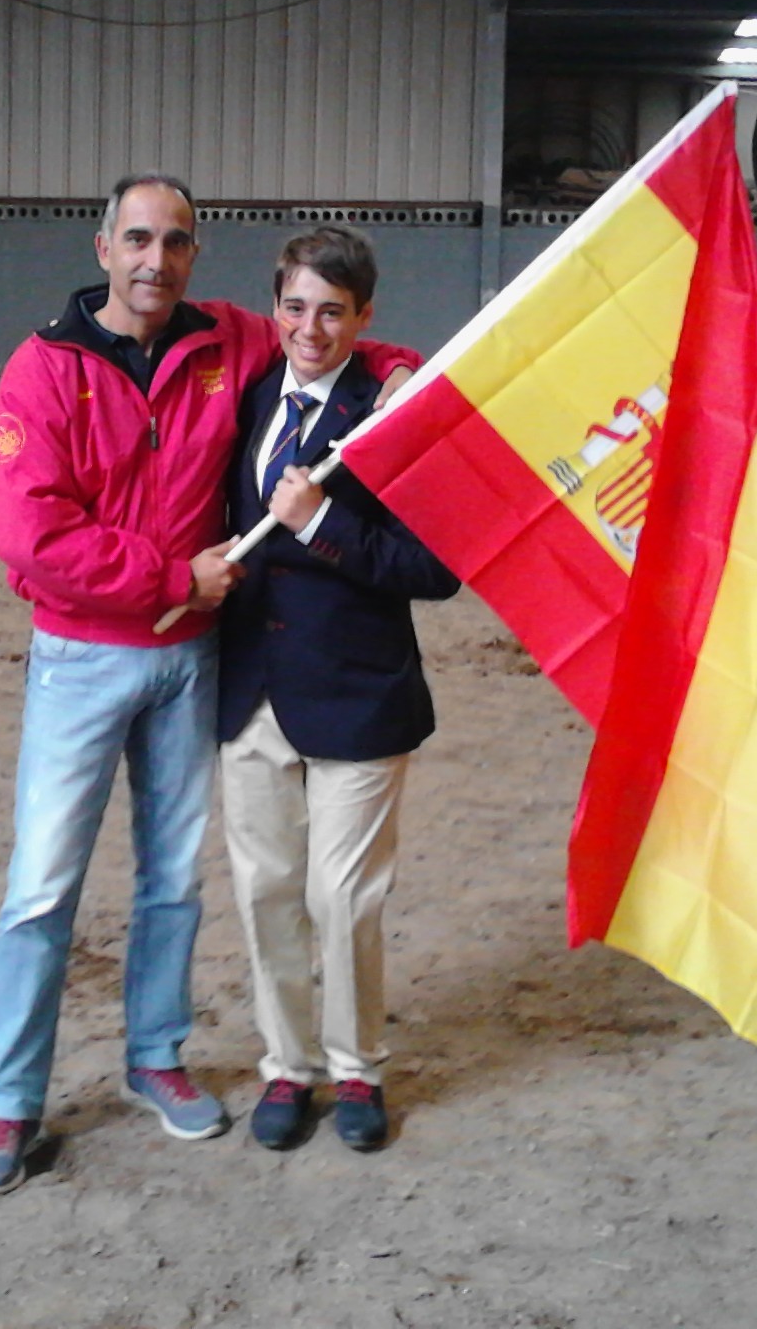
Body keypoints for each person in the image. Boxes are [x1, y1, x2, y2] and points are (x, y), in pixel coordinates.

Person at [0, 177, 420, 1195]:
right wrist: (172, 580)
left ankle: (155, 1059)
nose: (154, 261)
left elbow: (333, 346)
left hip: (192, 662)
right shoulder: (42, 370)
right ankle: (9, 1104)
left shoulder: (227, 342)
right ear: (101, 246)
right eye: (137, 240)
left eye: (174, 243)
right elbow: (27, 535)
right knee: (43, 885)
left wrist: (400, 369)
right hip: (84, 656)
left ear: (193, 255)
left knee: (172, 880)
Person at [215, 226, 459, 1153]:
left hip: (358, 693)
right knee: (267, 890)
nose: (309, 329)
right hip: (250, 691)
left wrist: (323, 526)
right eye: (294, 307)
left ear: (364, 317)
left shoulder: (393, 417)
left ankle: (356, 1069)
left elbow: (436, 568)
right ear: (275, 307)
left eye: (331, 311)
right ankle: (288, 1068)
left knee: (340, 895)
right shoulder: (245, 400)